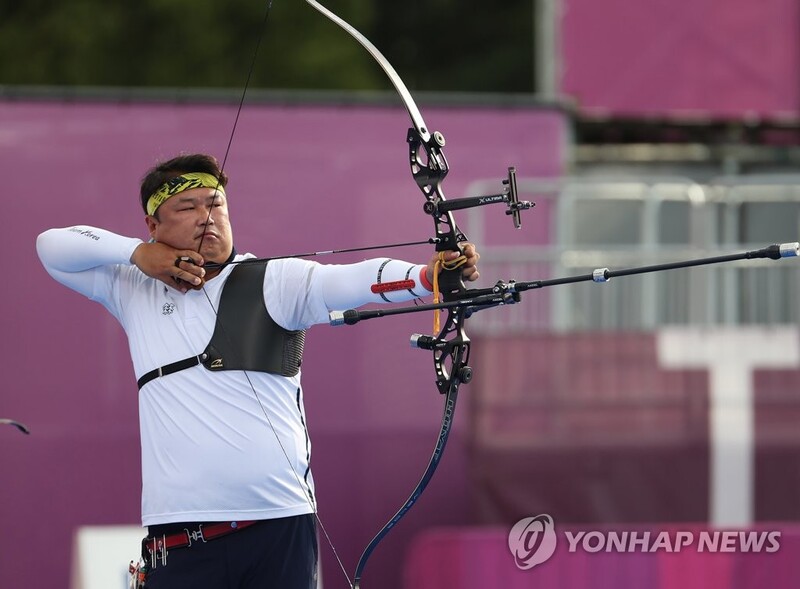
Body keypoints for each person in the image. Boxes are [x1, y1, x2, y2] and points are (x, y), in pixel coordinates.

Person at [36, 153, 480, 589]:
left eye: (216, 204)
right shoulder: (132, 287)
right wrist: (138, 255)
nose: (206, 217)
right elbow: (51, 245)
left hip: (277, 524)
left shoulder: (273, 280)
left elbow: (350, 279)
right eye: (187, 207)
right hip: (179, 534)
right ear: (154, 226)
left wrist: (426, 276)